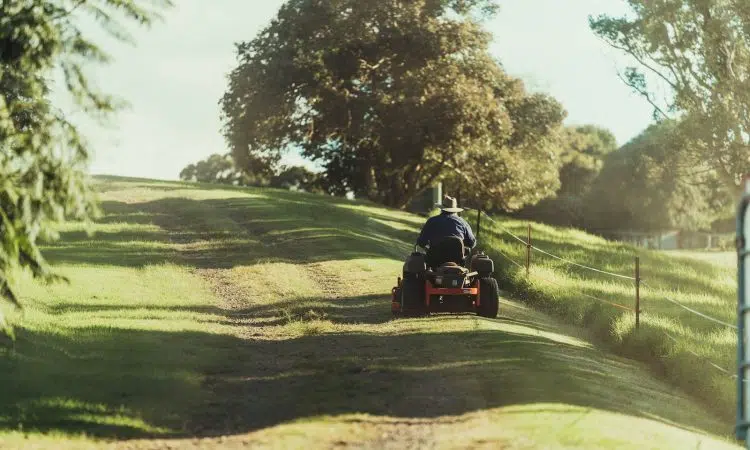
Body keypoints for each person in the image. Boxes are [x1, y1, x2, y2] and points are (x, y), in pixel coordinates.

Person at [416, 196, 476, 266]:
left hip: (435, 260)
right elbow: (472, 243)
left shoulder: (432, 221)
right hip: (457, 261)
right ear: (455, 209)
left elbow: (421, 242)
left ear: (442, 209)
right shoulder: (463, 223)